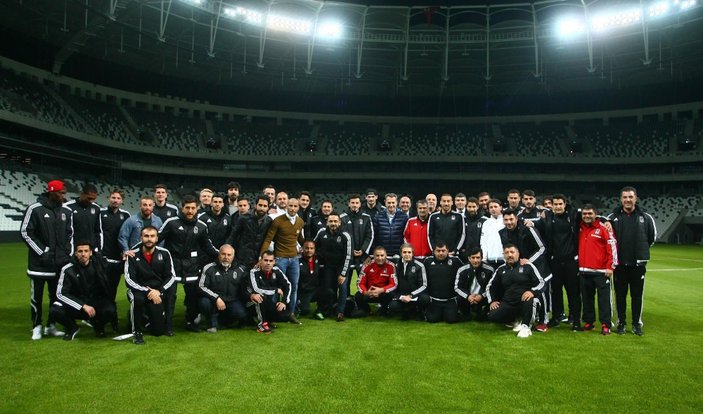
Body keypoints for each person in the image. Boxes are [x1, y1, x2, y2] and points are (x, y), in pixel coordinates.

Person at [20, 179, 72, 340]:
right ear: (51, 191)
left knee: (55, 297)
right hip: (39, 265)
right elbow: (25, 232)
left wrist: (66, 252)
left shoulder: (66, 211)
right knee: (36, 297)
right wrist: (42, 251)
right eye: (61, 193)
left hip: (58, 265)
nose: (64, 196)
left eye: (64, 193)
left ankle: (51, 325)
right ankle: (36, 326)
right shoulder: (35, 209)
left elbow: (70, 234)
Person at [158, 195, 219, 332]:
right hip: (172, 266)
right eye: (187, 208)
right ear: (182, 208)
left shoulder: (201, 226)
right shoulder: (171, 222)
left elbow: (208, 246)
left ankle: (190, 322)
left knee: (192, 297)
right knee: (170, 297)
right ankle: (167, 325)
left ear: (197, 208)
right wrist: (134, 251)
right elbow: (155, 238)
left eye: (193, 208)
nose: (190, 211)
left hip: (191, 266)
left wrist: (222, 256)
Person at [607, 186, 657, 336]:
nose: (628, 200)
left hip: (637, 264)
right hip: (620, 264)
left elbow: (652, 238)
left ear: (636, 198)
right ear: (621, 199)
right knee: (620, 296)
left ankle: (636, 324)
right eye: (625, 197)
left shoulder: (646, 217)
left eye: (630, 197)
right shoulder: (612, 217)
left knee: (637, 296)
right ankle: (621, 323)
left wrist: (640, 251)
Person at [50, 242, 116, 340]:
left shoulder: (99, 264)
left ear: (91, 253)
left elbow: (116, 266)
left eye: (86, 251)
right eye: (80, 251)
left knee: (110, 309)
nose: (83, 254)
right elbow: (61, 294)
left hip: (95, 302)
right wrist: (82, 305)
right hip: (76, 304)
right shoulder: (67, 269)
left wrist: (126, 258)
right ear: (75, 253)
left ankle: (98, 326)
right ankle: (72, 328)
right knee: (55, 309)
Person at [499, 208, 551, 331]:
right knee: (521, 291)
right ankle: (522, 318)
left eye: (511, 219)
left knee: (541, 291)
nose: (509, 222)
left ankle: (543, 320)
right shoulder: (502, 233)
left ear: (516, 218)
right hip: (520, 267)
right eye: (506, 220)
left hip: (539, 267)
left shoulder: (528, 228)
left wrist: (528, 261)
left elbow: (542, 248)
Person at [124, 226, 177, 344]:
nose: (149, 239)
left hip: (157, 292)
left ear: (157, 238)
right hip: (137, 291)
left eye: (152, 236)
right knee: (137, 299)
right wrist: (147, 291)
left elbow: (171, 276)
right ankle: (136, 332)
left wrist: (159, 291)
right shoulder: (132, 255)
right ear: (141, 238)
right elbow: (129, 280)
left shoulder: (164, 253)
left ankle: (142, 318)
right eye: (146, 236)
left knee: (158, 331)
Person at [537, 194, 581, 329]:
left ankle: (576, 320)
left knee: (573, 291)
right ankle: (556, 317)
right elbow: (536, 223)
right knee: (555, 291)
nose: (557, 207)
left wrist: (608, 221)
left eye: (560, 204)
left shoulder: (573, 214)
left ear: (565, 204)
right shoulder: (548, 216)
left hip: (571, 261)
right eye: (555, 204)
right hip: (554, 261)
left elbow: (591, 215)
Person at [259, 197, 305, 323]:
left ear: (298, 207)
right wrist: (261, 256)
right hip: (280, 258)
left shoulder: (300, 221)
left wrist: (309, 246)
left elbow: (299, 238)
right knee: (276, 287)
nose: (293, 208)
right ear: (287, 206)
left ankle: (291, 313)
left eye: (295, 206)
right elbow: (268, 239)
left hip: (294, 259)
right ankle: (273, 315)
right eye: (290, 206)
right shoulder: (278, 221)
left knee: (294, 287)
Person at [486, 244, 546, 338]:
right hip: (509, 302)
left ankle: (526, 326)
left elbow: (542, 283)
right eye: (507, 252)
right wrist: (492, 301)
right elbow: (490, 286)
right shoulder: (501, 270)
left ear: (518, 254)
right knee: (492, 315)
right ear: (504, 255)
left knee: (530, 300)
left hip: (526, 301)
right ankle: (515, 320)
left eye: (512, 252)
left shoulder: (528, 266)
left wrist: (532, 292)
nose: (509, 255)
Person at [578, 205, 618, 335]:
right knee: (587, 299)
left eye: (590, 213)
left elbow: (612, 247)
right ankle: (589, 322)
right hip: (584, 271)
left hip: (601, 272)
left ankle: (606, 324)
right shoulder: (580, 228)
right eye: (584, 214)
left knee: (604, 300)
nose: (587, 216)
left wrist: (610, 266)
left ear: (596, 214)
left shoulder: (603, 228)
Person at [198, 244, 248, 333]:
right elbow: (201, 287)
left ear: (233, 256)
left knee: (241, 314)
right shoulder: (209, 268)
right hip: (213, 300)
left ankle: (221, 321)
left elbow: (246, 287)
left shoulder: (240, 269)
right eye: (223, 254)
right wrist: (216, 298)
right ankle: (211, 323)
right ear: (219, 254)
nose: (226, 257)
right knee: (204, 302)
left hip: (232, 300)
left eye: (229, 255)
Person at [99, 188, 130, 330]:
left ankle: (112, 318)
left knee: (112, 289)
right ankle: (100, 318)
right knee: (101, 289)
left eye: (118, 198)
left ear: (122, 200)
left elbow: (127, 236)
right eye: (113, 197)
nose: (115, 200)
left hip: (118, 260)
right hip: (103, 259)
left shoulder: (125, 215)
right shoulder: (100, 214)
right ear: (109, 198)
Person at [313, 212, 352, 321]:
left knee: (343, 288)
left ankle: (340, 312)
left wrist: (343, 274)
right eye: (331, 221)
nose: (333, 223)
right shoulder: (321, 232)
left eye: (335, 221)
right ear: (327, 222)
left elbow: (348, 256)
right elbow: (313, 246)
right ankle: (328, 309)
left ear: (339, 222)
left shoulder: (345, 235)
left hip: (341, 266)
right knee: (328, 289)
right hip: (327, 266)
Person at [247, 251, 292, 334]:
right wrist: (275, 290)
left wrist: (283, 302)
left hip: (268, 303)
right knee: (259, 297)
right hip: (250, 302)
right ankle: (261, 325)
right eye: (266, 260)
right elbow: (256, 289)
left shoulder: (277, 270)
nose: (268, 263)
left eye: (270, 261)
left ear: (274, 262)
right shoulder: (253, 271)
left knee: (284, 315)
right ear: (260, 261)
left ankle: (268, 320)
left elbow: (288, 285)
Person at [340, 194, 374, 294]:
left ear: (360, 204)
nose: (354, 205)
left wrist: (362, 250)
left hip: (362, 256)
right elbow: (340, 237)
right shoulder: (342, 218)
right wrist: (350, 251)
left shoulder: (366, 217)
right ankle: (346, 302)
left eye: (357, 203)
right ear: (348, 204)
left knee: (364, 281)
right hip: (347, 256)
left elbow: (370, 236)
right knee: (345, 282)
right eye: (352, 203)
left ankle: (363, 304)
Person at [423, 242, 463, 323]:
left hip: (450, 300)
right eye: (438, 251)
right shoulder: (427, 261)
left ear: (447, 251)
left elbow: (464, 273)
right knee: (432, 320)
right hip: (434, 300)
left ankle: (453, 311)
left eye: (443, 250)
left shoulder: (456, 261)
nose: (440, 253)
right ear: (434, 251)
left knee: (451, 320)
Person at [228, 195, 272, 267]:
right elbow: (233, 236)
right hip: (242, 257)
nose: (262, 208)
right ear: (255, 205)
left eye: (264, 206)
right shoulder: (244, 218)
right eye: (260, 205)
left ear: (268, 207)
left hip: (258, 258)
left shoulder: (269, 221)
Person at [389, 244, 428, 320]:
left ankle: (419, 311)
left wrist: (411, 296)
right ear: (401, 253)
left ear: (413, 253)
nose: (407, 254)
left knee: (425, 299)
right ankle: (406, 311)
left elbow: (424, 285)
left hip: (415, 296)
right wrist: (398, 296)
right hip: (402, 296)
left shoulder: (420, 266)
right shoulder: (396, 265)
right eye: (404, 252)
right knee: (392, 306)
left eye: (409, 252)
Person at [354, 246, 397, 317]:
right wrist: (366, 292)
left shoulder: (391, 266)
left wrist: (381, 290)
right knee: (358, 295)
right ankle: (366, 310)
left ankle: (384, 310)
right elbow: (360, 283)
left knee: (390, 294)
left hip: (382, 293)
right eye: (377, 255)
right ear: (373, 256)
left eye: (382, 255)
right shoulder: (367, 265)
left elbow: (394, 284)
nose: (380, 258)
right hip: (369, 293)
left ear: (386, 255)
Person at [454, 247, 494, 321]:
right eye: (473, 257)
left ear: (482, 258)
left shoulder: (489, 270)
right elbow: (457, 287)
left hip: (482, 297)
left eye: (478, 258)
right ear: (469, 258)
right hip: (468, 297)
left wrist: (482, 295)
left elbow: (492, 288)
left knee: (481, 319)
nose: (475, 260)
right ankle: (466, 313)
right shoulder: (462, 270)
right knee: (459, 298)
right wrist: (468, 296)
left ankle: (482, 312)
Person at [297, 241, 334, 320]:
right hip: (303, 292)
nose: (309, 250)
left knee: (329, 292)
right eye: (307, 248)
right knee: (305, 311)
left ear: (314, 250)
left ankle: (319, 311)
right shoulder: (297, 261)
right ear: (302, 249)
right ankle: (297, 306)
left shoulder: (318, 259)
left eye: (311, 248)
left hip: (314, 290)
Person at [65, 184, 103, 252]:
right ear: (81, 194)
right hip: (73, 248)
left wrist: (98, 248)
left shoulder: (96, 208)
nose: (91, 201)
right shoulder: (67, 207)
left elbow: (98, 231)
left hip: (90, 250)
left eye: (93, 199)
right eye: (89, 198)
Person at [373, 193, 409, 259]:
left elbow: (406, 236)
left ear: (397, 203)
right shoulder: (378, 216)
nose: (391, 205)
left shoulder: (404, 217)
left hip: (399, 253)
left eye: (393, 202)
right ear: (385, 202)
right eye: (389, 203)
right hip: (382, 254)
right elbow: (374, 236)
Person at [480, 199, 505, 268]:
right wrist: (484, 258)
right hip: (490, 260)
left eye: (495, 206)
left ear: (501, 207)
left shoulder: (506, 221)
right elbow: (483, 241)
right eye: (491, 207)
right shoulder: (486, 223)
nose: (493, 209)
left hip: (505, 259)